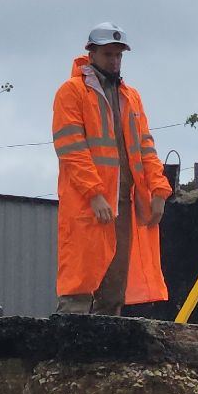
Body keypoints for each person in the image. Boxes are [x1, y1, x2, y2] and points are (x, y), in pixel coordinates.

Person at [52, 23, 171, 315]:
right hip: (87, 203)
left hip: (122, 202)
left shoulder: (130, 97)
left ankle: (107, 351)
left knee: (115, 283)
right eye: (108, 54)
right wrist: (94, 194)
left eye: (118, 55)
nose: (114, 60)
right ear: (91, 53)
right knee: (80, 280)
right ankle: (69, 347)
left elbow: (145, 147)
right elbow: (72, 149)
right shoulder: (71, 92)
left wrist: (159, 189)